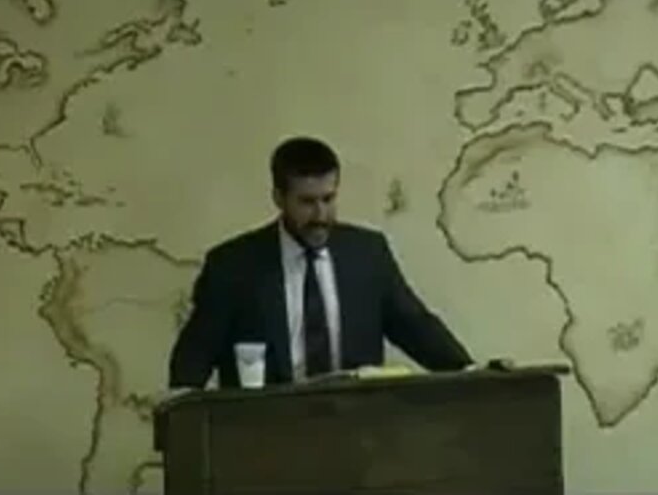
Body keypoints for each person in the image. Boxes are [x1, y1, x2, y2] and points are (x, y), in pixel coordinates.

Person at [168, 136, 473, 389]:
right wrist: (179, 412)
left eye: (328, 199)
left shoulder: (367, 254)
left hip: (355, 426)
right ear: (279, 198)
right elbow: (195, 355)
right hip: (264, 430)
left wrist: (470, 374)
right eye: (307, 202)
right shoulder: (234, 265)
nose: (321, 215)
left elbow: (414, 325)